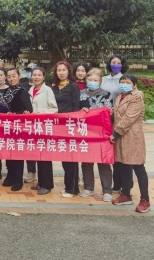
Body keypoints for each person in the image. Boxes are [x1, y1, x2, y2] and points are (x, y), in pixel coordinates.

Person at [111, 74, 150, 213]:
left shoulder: (137, 97)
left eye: (127, 82)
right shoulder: (119, 97)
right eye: (122, 82)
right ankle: (126, 194)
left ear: (134, 85)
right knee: (123, 165)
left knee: (138, 167)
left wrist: (115, 133)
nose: (124, 84)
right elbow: (116, 116)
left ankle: (145, 199)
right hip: (121, 137)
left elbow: (129, 118)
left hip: (132, 136)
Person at [79, 68, 114, 201]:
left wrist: (109, 113)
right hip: (85, 132)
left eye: (95, 80)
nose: (92, 82)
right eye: (90, 79)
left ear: (100, 81)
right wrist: (81, 110)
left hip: (101, 133)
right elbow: (76, 110)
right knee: (86, 161)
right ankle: (88, 188)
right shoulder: (81, 93)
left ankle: (107, 190)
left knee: (103, 161)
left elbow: (109, 113)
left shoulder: (106, 94)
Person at [51, 61, 82, 198]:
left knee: (71, 159)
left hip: (69, 127)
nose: (61, 73)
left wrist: (73, 125)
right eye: (59, 70)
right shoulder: (54, 87)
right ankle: (67, 186)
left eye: (64, 70)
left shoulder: (73, 87)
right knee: (64, 158)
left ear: (69, 72)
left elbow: (76, 106)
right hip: (58, 127)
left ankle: (73, 189)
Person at [2, 67, 33, 191]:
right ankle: (10, 176)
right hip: (7, 127)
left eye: (13, 76)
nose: (11, 79)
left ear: (19, 76)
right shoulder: (6, 90)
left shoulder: (23, 91)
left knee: (17, 154)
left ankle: (18, 180)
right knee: (8, 153)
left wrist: (15, 115)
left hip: (18, 127)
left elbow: (28, 109)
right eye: (9, 77)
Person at [101, 53, 128, 193]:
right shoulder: (104, 79)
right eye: (113, 62)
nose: (115, 65)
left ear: (122, 65)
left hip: (119, 118)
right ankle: (115, 183)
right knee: (110, 151)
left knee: (120, 152)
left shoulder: (125, 79)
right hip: (105, 119)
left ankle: (122, 184)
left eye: (118, 63)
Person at [28, 67, 58, 195]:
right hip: (33, 127)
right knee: (38, 156)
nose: (36, 77)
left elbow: (54, 108)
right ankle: (41, 182)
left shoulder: (47, 90)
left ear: (44, 77)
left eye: (39, 75)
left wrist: (38, 114)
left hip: (44, 127)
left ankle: (47, 185)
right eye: (34, 75)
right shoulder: (30, 90)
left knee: (45, 157)